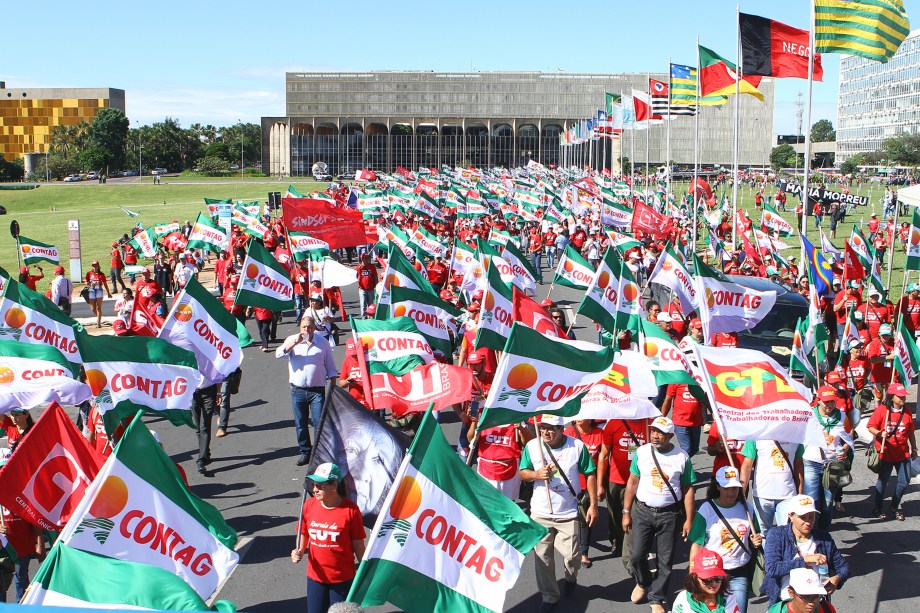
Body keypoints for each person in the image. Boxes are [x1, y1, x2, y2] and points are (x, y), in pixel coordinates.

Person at [518, 414, 598, 613]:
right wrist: (536, 475)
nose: (546, 431)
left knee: (572, 556)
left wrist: (593, 505)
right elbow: (523, 471)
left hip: (568, 512)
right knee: (542, 558)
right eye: (543, 427)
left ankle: (571, 576)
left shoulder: (577, 447)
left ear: (562, 429)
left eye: (551, 428)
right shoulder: (532, 446)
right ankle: (550, 596)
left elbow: (590, 473)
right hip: (540, 512)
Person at [623, 416, 696, 613]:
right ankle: (643, 582)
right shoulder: (642, 452)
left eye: (661, 433)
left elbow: (688, 489)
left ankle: (657, 597)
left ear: (671, 435)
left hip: (669, 514)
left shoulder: (682, 457)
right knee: (637, 555)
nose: (655, 436)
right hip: (643, 511)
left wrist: (689, 519)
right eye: (653, 431)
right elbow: (632, 482)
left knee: (665, 560)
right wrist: (626, 511)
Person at [291, 463, 366, 613]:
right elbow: (304, 532)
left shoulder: (350, 510)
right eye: (313, 485)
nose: (314, 489)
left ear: (334, 485)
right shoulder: (309, 505)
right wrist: (298, 549)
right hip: (315, 577)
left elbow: (358, 544)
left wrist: (365, 572)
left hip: (342, 579)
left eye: (320, 486)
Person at [688, 467, 762, 612]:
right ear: (717, 487)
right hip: (712, 574)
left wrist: (757, 540)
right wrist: (693, 573)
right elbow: (696, 544)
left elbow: (756, 534)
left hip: (739, 573)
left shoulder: (747, 508)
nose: (731, 492)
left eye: (735, 488)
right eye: (726, 488)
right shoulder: (706, 509)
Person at [763, 495, 848, 606]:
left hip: (817, 602)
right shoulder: (777, 535)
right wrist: (804, 561)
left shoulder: (824, 538)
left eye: (811, 517)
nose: (808, 522)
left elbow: (843, 567)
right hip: (786, 601)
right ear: (791, 516)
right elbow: (772, 568)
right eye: (802, 517)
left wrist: (837, 579)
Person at [276, 317, 338, 466]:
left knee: (319, 422)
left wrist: (333, 389)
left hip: (317, 391)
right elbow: (279, 354)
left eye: (309, 327)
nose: (306, 330)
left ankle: (318, 452)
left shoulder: (322, 343)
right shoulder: (292, 340)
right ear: (300, 328)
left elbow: (330, 366)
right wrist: (294, 343)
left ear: (314, 328)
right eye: (303, 327)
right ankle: (305, 451)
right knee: (301, 423)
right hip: (297, 390)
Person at [804, 386, 853, 530]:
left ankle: (824, 535)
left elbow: (849, 439)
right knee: (812, 502)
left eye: (832, 401)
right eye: (826, 402)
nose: (829, 405)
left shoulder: (842, 416)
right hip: (811, 462)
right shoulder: (810, 415)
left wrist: (844, 450)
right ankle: (811, 536)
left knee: (827, 503)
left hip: (832, 464)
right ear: (818, 401)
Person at [867, 382, 918, 520]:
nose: (903, 399)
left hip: (903, 453)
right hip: (886, 452)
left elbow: (911, 432)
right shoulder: (882, 410)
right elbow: (870, 426)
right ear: (891, 397)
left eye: (904, 396)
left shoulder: (907, 411)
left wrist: (914, 448)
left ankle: (894, 506)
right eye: (899, 396)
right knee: (883, 481)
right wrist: (879, 433)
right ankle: (878, 507)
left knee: (904, 481)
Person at [739, 439, 804, 536]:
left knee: (787, 533)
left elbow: (798, 465)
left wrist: (800, 493)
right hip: (762, 494)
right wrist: (741, 492)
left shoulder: (795, 434)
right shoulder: (755, 434)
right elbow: (747, 466)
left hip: (788, 495)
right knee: (764, 534)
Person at [564, 419, 604, 568]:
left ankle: (584, 552)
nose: (580, 417)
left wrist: (600, 485)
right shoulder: (568, 433)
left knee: (586, 519)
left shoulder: (599, 434)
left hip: (588, 485)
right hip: (570, 484)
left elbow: (602, 460)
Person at [672, 549, 742, 613]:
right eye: (707, 579)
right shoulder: (684, 601)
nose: (714, 583)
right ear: (695, 578)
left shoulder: (728, 597)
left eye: (718, 578)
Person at [766, 568, 835, 613]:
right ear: (791, 592)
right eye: (806, 597)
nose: (812, 603)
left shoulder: (827, 608)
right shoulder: (776, 611)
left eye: (816, 596)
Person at [192, 383, 220, 476]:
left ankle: (201, 460)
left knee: (205, 427)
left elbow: (219, 374)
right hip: (193, 393)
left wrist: (218, 393)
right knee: (197, 428)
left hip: (209, 393)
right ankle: (205, 453)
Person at [84, 260, 111, 327]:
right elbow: (86, 281)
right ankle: (99, 317)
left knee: (99, 307)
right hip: (91, 290)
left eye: (96, 265)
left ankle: (98, 322)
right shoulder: (89, 273)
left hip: (99, 290)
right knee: (93, 308)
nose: (94, 267)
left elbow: (105, 283)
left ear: (98, 266)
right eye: (93, 266)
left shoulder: (101, 274)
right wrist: (89, 284)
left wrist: (108, 292)